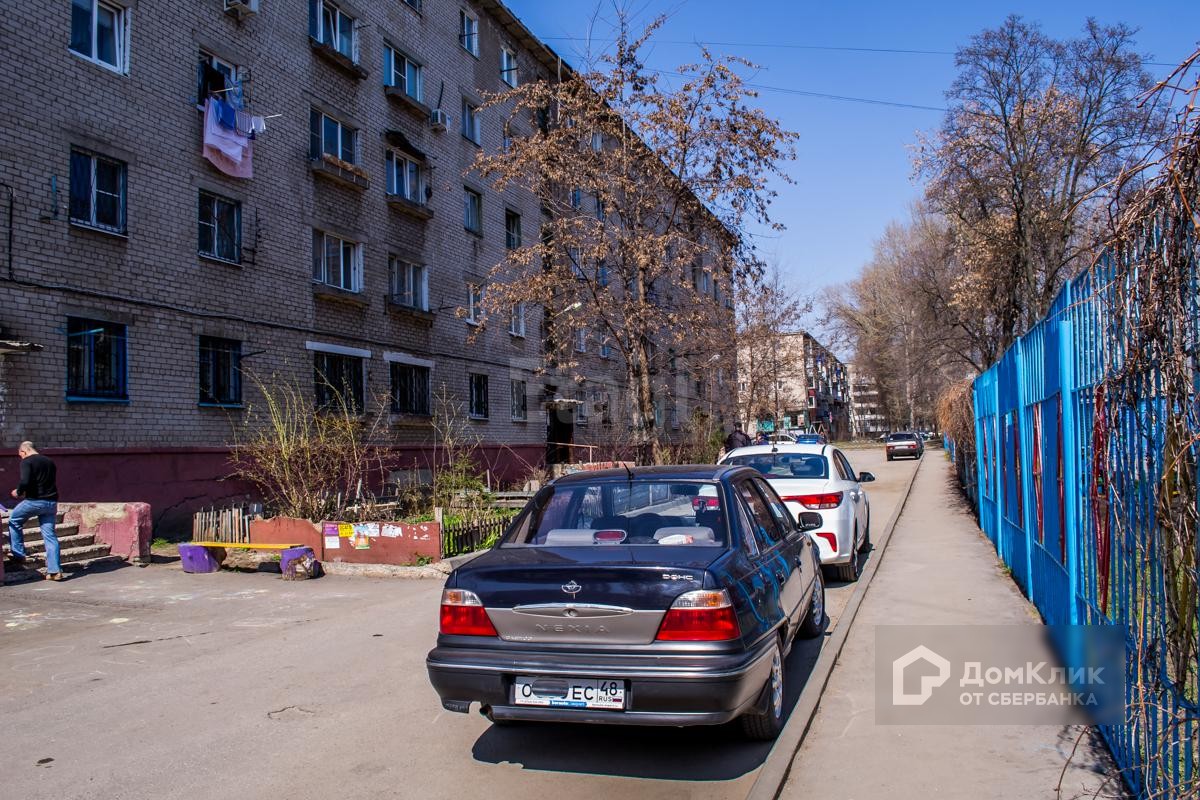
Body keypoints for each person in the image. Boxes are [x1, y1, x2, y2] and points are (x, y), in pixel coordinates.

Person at [7, 441, 62, 581]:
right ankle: (55, 571)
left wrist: (18, 492)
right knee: (50, 536)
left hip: (35, 501)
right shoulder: (49, 461)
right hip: (51, 502)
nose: (21, 457)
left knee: (14, 520)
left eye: (20, 455)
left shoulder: (27, 461)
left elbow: (25, 481)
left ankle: (18, 554)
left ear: (24, 451)